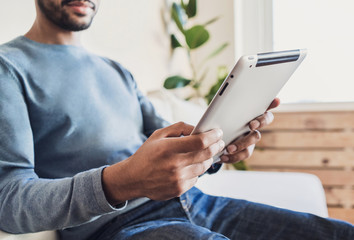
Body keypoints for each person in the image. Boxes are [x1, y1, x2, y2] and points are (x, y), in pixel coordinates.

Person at [0, 0, 352, 239]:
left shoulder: (116, 71)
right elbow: (9, 200)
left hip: (194, 203)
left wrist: (216, 148)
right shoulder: (10, 68)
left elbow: (174, 143)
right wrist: (122, 182)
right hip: (116, 229)